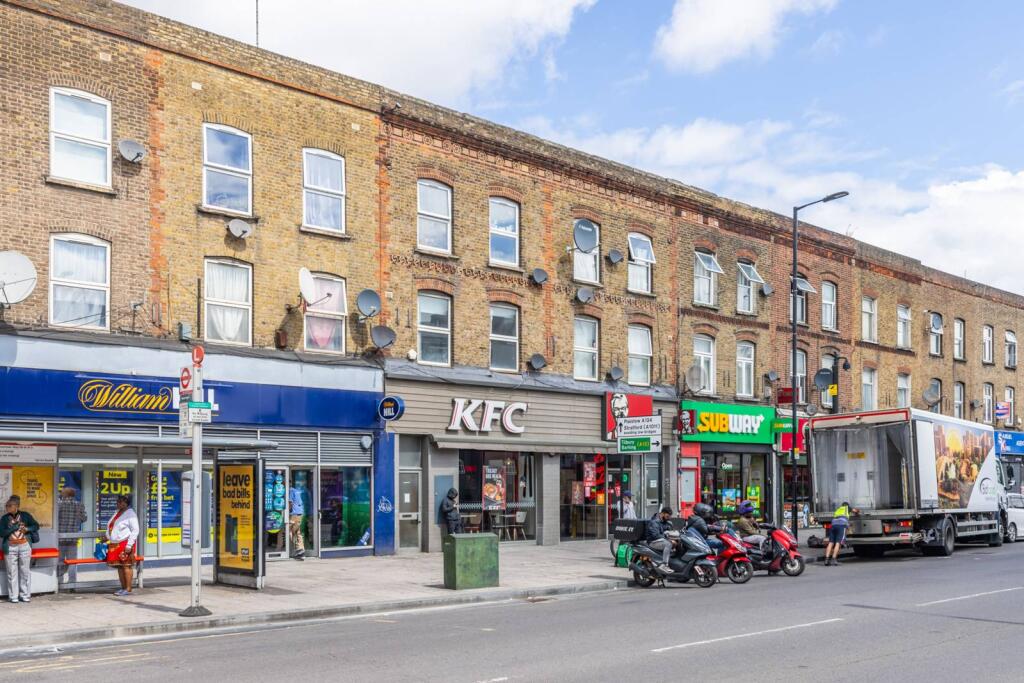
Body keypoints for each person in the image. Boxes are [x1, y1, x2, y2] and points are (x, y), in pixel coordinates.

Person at [1, 497, 38, 603]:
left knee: (25, 571)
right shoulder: (4, 518)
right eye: (6, 506)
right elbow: (1, 533)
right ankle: (13, 596)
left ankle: (24, 595)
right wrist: (13, 528)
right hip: (10, 547)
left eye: (9, 505)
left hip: (24, 546)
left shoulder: (25, 516)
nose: (7, 507)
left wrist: (27, 529)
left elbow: (36, 526)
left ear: (16, 506)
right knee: (11, 572)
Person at [104, 494, 139, 596]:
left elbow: (135, 530)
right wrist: (108, 537)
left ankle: (128, 588)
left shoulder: (131, 514)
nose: (118, 503)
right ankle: (123, 588)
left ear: (126, 503)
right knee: (119, 567)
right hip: (115, 544)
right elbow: (111, 527)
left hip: (125, 543)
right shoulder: (117, 512)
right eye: (118, 501)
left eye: (120, 502)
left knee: (126, 566)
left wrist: (129, 545)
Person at [57, 487, 87, 584]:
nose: (61, 494)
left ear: (66, 494)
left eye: (62, 493)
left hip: (60, 538)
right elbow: (84, 519)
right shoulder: (79, 505)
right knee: (72, 561)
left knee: (60, 561)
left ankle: (59, 582)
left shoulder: (59, 504)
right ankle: (72, 582)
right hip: (73, 538)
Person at [645, 506, 676, 572]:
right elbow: (655, 535)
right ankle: (664, 565)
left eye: (669, 516)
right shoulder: (654, 522)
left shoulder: (665, 521)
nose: (668, 518)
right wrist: (668, 539)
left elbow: (669, 531)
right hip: (653, 541)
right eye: (667, 516)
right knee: (668, 544)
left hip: (661, 540)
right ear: (662, 514)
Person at [824, 501, 851, 566]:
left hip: (833, 525)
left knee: (830, 543)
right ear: (847, 505)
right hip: (841, 526)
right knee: (838, 543)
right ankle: (834, 559)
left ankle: (826, 560)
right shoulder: (847, 508)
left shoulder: (838, 509)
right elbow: (856, 511)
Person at [288, 483, 306, 560]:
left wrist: (287, 511)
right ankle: (301, 551)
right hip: (300, 513)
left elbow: (290, 503)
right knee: (298, 532)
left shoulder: (291, 491)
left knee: (290, 531)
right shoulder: (297, 491)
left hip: (294, 514)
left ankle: (294, 550)